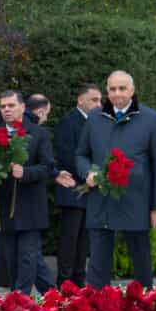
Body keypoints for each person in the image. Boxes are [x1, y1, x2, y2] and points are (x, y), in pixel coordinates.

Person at [75, 70, 156, 290]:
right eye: (112, 89)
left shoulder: (151, 119)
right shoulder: (95, 118)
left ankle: (145, 308)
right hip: (101, 200)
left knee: (141, 261)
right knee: (98, 264)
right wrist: (87, 172)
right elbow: (80, 154)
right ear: (106, 91)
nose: (117, 93)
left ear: (132, 90)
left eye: (122, 88)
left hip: (136, 201)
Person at [0, 92, 55, 295]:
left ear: (22, 108)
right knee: (11, 259)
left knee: (28, 258)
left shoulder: (38, 133)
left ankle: (22, 300)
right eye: (3, 106)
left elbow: (47, 167)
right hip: (4, 208)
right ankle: (18, 300)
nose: (7, 110)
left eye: (11, 105)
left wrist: (25, 172)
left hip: (30, 208)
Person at [53, 84, 101, 287]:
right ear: (81, 100)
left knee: (84, 242)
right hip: (73, 190)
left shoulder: (98, 124)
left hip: (90, 192)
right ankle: (64, 284)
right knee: (69, 241)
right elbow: (66, 155)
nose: (99, 104)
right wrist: (89, 173)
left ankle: (79, 283)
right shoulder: (68, 122)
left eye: (100, 100)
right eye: (94, 100)